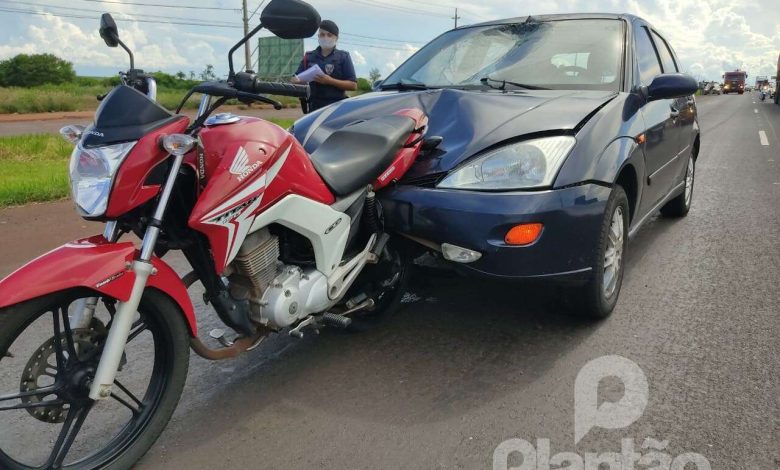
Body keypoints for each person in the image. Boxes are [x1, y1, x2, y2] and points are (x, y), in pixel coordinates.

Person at [293, 20, 357, 112]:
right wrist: (297, 81)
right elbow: (295, 79)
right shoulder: (309, 56)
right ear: (318, 36)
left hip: (336, 108)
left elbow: (353, 85)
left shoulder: (343, 57)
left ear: (336, 38)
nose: (325, 38)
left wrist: (330, 81)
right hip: (314, 108)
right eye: (322, 35)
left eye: (329, 35)